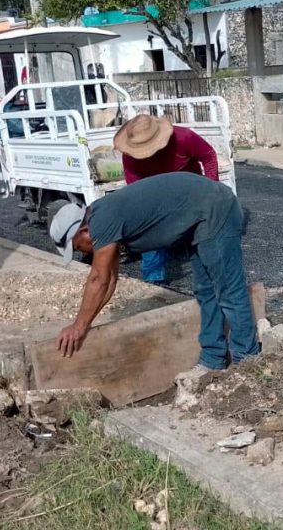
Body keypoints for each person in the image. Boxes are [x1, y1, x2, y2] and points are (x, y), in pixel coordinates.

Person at [47, 172, 259, 369]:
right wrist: (85, 324)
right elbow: (110, 280)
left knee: (228, 291)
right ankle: (213, 359)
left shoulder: (101, 222)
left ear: (84, 231)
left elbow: (98, 279)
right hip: (198, 215)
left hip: (214, 209)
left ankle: (246, 361)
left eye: (77, 247)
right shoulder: (102, 217)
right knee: (205, 290)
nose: (82, 252)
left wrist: (78, 326)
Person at [114, 114, 219, 285]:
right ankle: (154, 281)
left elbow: (208, 156)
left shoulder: (184, 137)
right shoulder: (130, 156)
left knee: (203, 234)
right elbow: (136, 189)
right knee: (149, 230)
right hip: (154, 195)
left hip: (189, 190)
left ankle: (211, 275)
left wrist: (210, 187)